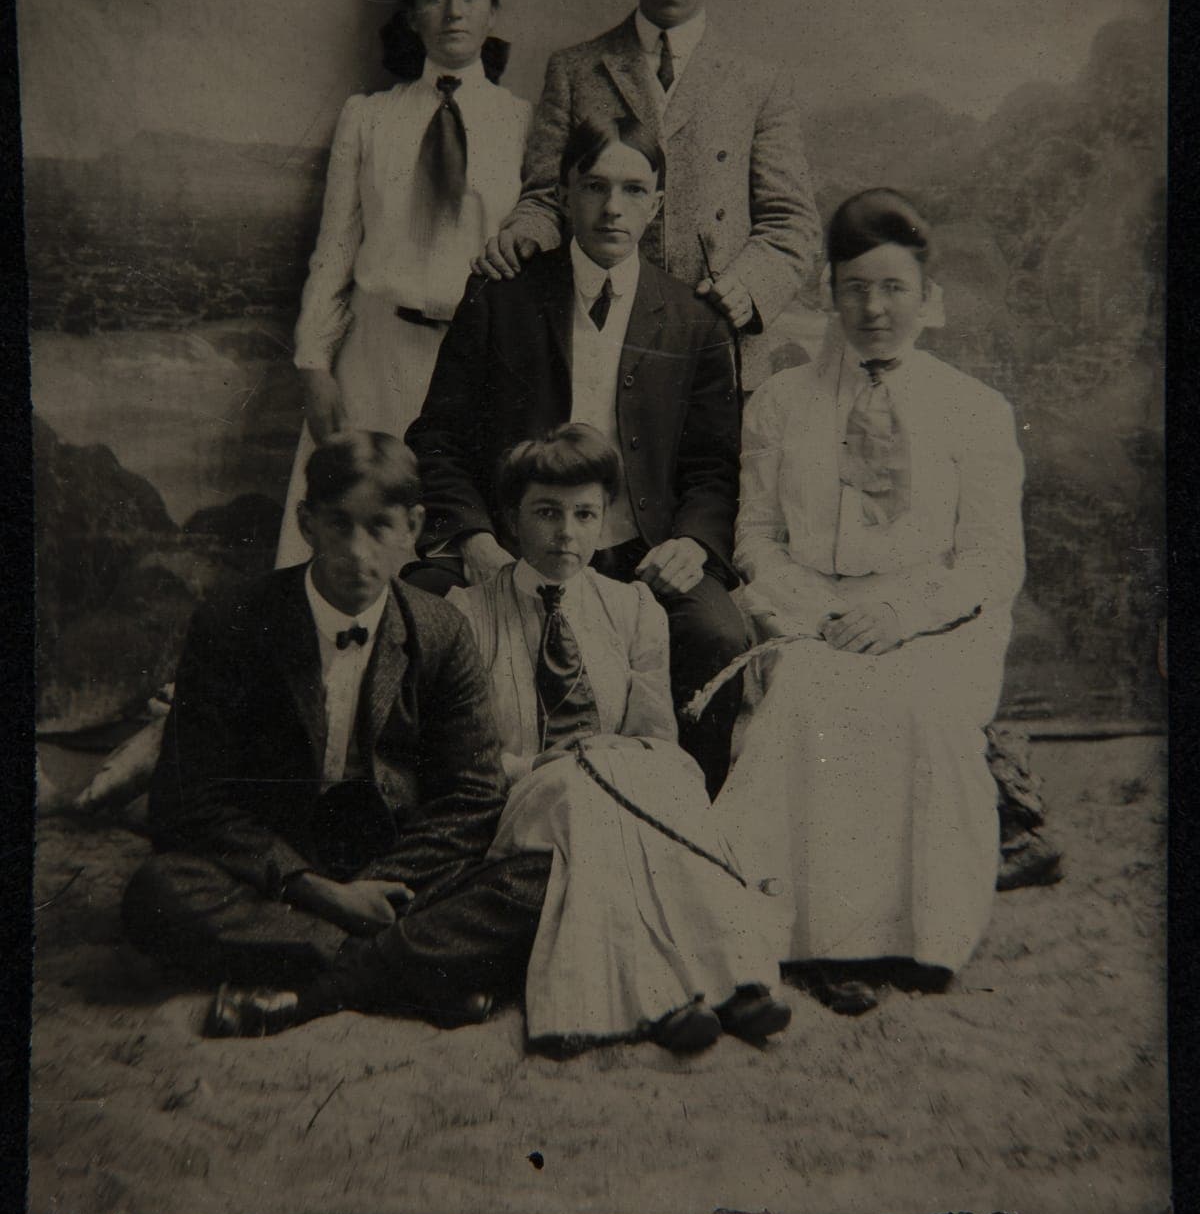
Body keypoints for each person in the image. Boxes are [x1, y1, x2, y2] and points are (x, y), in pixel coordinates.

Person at [122, 431, 551, 1038]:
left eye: (379, 527)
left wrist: (380, 886)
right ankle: (409, 971)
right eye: (338, 525)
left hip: (398, 862)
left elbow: (474, 794)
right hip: (279, 860)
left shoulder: (441, 630)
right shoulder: (233, 620)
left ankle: (315, 987)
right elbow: (187, 797)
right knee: (157, 892)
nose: (356, 552)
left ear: (413, 526)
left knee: (541, 883)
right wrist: (317, 891)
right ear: (307, 524)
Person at [713, 189, 1026, 1014]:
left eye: (893, 288)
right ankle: (824, 939)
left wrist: (900, 616)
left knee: (920, 705)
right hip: (810, 609)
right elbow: (756, 538)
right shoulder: (781, 403)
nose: (875, 308)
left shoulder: (975, 411)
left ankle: (923, 933)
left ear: (928, 296)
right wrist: (816, 615)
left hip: (931, 616)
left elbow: (992, 559)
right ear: (828, 293)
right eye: (855, 288)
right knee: (810, 700)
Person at [406, 111, 749, 794]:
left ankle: (687, 816)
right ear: (563, 193)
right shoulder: (503, 298)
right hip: (514, 542)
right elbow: (437, 438)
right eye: (594, 186)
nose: (612, 207)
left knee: (718, 634)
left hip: (640, 551)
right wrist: (474, 538)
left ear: (656, 205)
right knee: (418, 613)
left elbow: (715, 466)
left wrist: (691, 543)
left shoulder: (695, 321)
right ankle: (446, 811)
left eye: (633, 190)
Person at [449, 423, 790, 1054]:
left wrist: (610, 758)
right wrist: (538, 765)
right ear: (511, 521)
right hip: (524, 798)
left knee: (651, 782)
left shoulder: (633, 607)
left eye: (584, 514)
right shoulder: (467, 614)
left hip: (614, 790)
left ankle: (734, 981)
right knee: (584, 792)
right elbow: (465, 760)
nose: (567, 533)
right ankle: (648, 1000)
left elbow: (657, 740)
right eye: (546, 513)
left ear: (604, 519)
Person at [473, 0, 821, 372]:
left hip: (714, 342)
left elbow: (791, 221)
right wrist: (524, 237)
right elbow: (546, 197)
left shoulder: (757, 83)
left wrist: (746, 289)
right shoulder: (575, 70)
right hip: (596, 336)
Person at [275, 0, 530, 565]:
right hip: (374, 361)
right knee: (361, 547)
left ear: (494, 8)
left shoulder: (521, 124)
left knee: (455, 557)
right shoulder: (370, 118)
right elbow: (335, 251)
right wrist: (314, 365)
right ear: (412, 11)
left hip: (473, 367)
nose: (454, 13)